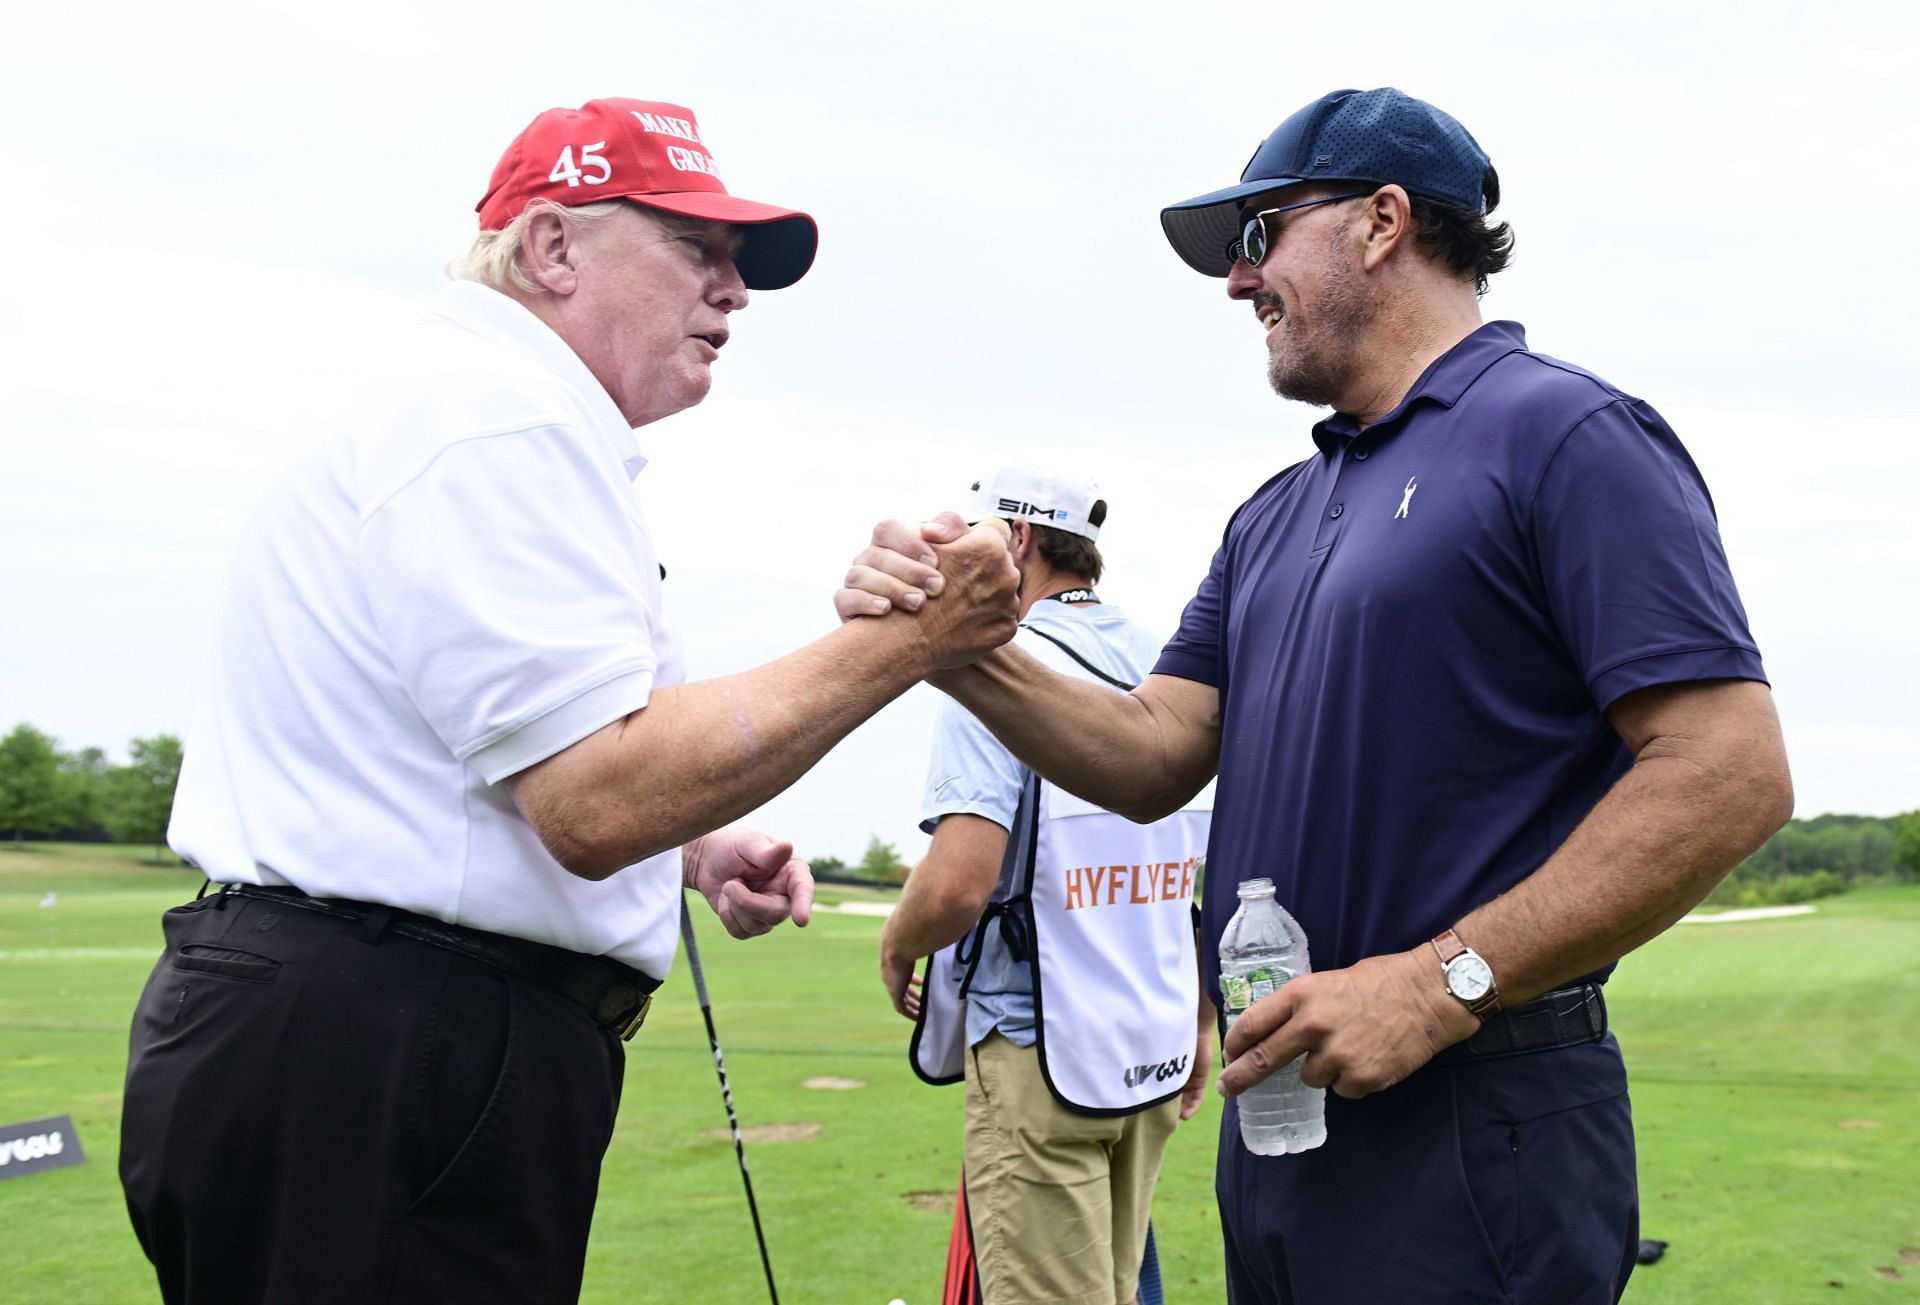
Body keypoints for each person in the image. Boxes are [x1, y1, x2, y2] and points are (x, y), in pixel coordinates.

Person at [838, 87, 1793, 1304]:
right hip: (1281, 1119)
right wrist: (954, 645)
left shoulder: (1567, 434)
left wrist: (1443, 979)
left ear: (1383, 221)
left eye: (1258, 238)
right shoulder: (1276, 512)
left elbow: (1729, 770)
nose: (1238, 285)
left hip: (1475, 1110)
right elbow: (1148, 752)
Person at [118, 97, 1019, 1305]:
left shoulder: (489, 411)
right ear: (552, 249)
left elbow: (514, 750)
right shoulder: (496, 418)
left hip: (369, 1034)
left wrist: (699, 846)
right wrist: (909, 641)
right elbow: (593, 800)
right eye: (698, 250)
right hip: (390, 1039)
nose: (734, 292)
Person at [882, 463, 1214, 1305]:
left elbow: (960, 879)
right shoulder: (1168, 662)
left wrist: (898, 942)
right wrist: (1204, 1017)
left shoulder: (994, 660)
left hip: (1040, 1049)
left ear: (1017, 540)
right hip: (1154, 1046)